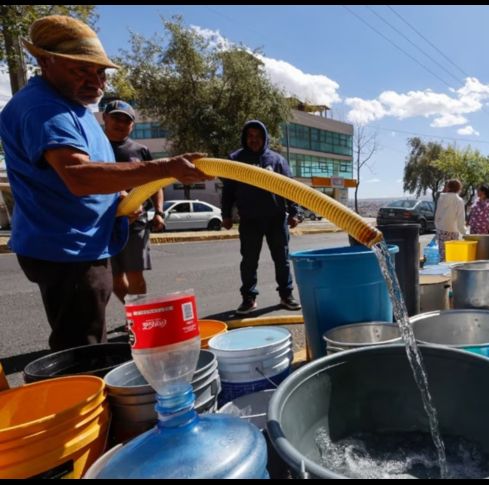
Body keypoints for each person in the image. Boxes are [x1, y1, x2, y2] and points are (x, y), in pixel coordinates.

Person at [0, 15, 210, 351]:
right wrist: (165, 167)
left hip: (79, 243)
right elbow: (79, 176)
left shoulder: (70, 105)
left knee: (87, 335)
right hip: (67, 250)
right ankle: (79, 399)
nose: (95, 82)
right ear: (45, 61)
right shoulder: (44, 108)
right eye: (80, 70)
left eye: (100, 72)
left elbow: (84, 175)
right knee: (81, 349)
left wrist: (118, 199)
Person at [222, 120, 302, 314]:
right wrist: (226, 214)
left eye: (258, 136)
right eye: (250, 136)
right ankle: (248, 298)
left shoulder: (276, 160)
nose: (254, 140)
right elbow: (228, 190)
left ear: (264, 137)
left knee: (281, 259)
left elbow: (289, 187)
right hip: (249, 220)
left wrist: (294, 211)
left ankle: (286, 295)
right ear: (245, 137)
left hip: (276, 219)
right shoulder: (235, 159)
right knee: (249, 261)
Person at [103, 100, 166, 302]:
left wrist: (159, 212)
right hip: (105, 223)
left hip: (135, 223)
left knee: (135, 277)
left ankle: (139, 320)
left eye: (126, 120)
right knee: (114, 280)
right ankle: (133, 315)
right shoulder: (93, 146)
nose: (121, 123)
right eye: (116, 117)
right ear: (105, 118)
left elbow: (155, 184)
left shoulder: (140, 150)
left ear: (132, 125)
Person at [434, 179, 466, 261]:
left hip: (441, 230)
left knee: (442, 256)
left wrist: (438, 227)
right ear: (459, 189)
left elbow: (437, 215)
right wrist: (465, 233)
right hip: (453, 231)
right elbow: (460, 220)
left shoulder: (441, 198)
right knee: (452, 256)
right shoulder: (459, 201)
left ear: (448, 187)